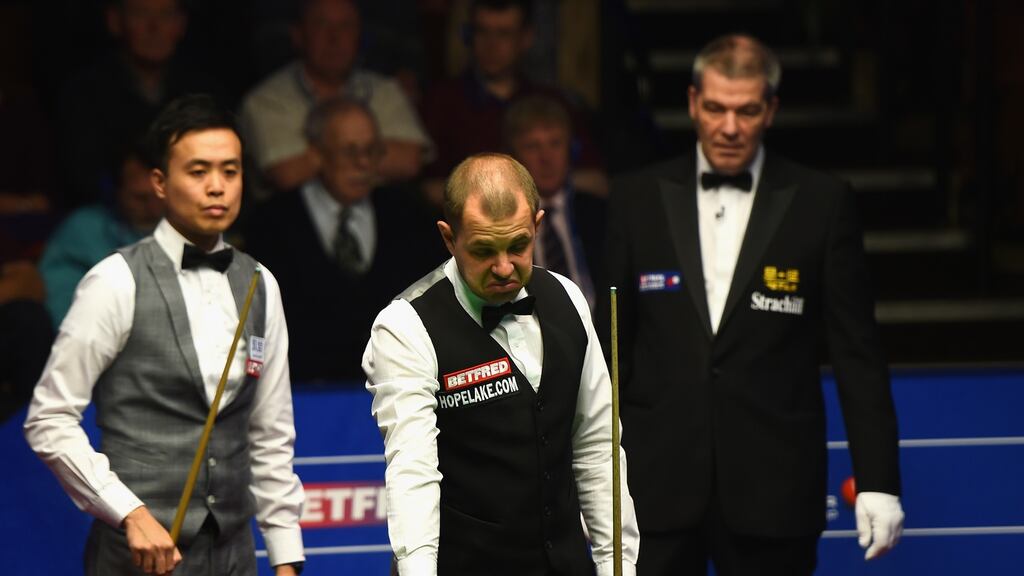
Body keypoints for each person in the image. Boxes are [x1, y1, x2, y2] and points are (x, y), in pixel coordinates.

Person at [601, 34, 904, 575]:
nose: (730, 127)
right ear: (694, 102)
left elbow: (858, 354)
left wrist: (878, 480)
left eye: (746, 110)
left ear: (771, 110)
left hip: (776, 490)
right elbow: (608, 352)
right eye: (715, 108)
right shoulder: (634, 198)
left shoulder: (823, 203)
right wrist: (593, 479)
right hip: (653, 488)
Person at [24, 95, 305, 576]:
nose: (216, 187)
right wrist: (127, 511)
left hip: (234, 557)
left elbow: (269, 433)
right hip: (138, 559)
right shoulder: (115, 281)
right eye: (198, 172)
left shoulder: (261, 284)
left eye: (230, 171)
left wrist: (286, 556)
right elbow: (48, 419)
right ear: (159, 182)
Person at [363, 153, 639, 575]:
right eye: (483, 250)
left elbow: (597, 447)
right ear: (448, 238)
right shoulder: (405, 327)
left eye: (518, 245)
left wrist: (617, 566)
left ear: (537, 225)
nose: (504, 267)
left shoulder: (568, 299)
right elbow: (412, 470)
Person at [246, 97, 442, 382]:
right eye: (349, 151)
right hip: (304, 392)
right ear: (316, 154)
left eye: (372, 151)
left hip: (399, 386)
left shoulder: (408, 213)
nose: (363, 163)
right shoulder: (272, 222)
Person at [240, 0, 433, 201]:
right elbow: (287, 175)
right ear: (298, 35)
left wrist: (321, 157)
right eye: (321, 24)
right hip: (289, 225)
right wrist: (375, 154)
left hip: (380, 219)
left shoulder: (386, 91)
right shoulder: (265, 101)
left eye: (346, 26)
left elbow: (410, 161)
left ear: (360, 35)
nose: (335, 37)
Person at [420, 0, 605, 205]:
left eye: (504, 34)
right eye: (482, 32)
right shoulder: (443, 102)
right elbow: (428, 189)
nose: (491, 45)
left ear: (526, 38)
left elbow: (597, 181)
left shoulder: (551, 102)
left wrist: (550, 180)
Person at [39, 148, 164, 328]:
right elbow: (63, 310)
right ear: (115, 191)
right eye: (140, 198)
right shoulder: (83, 229)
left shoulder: (191, 228)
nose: (154, 208)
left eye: (159, 196)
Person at [504, 94, 605, 309]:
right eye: (532, 146)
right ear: (513, 157)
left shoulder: (600, 213)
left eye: (555, 143)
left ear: (571, 149)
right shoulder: (500, 220)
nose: (546, 157)